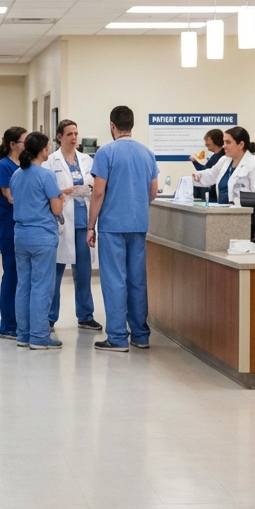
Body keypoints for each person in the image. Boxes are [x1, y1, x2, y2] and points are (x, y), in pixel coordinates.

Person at [87, 106, 160, 352]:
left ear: (112, 125)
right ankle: (140, 335)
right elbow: (152, 192)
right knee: (137, 280)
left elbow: (98, 192)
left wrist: (90, 226)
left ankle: (117, 337)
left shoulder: (106, 153)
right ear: (132, 125)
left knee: (114, 280)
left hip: (112, 226)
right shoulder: (147, 153)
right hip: (138, 225)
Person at [9, 132, 65, 350]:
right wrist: (61, 198)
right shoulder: (46, 175)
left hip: (21, 236)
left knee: (23, 285)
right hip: (42, 237)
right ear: (42, 150)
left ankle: (23, 334)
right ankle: (40, 336)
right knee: (42, 286)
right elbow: (56, 209)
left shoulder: (16, 175)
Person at [43, 120, 99, 331]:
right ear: (59, 137)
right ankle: (50, 316)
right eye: (69, 134)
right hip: (62, 223)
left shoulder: (86, 160)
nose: (74, 138)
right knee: (55, 273)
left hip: (84, 222)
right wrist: (65, 191)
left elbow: (95, 184)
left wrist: (87, 188)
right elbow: (49, 191)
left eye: (76, 133)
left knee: (83, 272)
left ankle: (85, 315)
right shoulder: (50, 161)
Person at [0, 126, 26, 340]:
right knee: (12, 275)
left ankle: (19, 320)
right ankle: (8, 325)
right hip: (8, 227)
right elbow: (10, 197)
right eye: (24, 141)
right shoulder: (4, 167)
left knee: (21, 276)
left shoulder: (22, 165)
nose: (27, 145)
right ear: (13, 145)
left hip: (21, 227)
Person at [187, 126, 255, 206]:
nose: (224, 146)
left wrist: (236, 202)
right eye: (224, 142)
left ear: (241, 144)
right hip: (223, 213)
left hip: (245, 217)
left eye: (228, 142)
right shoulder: (224, 160)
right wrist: (197, 176)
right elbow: (212, 175)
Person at [190, 128, 225, 202]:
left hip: (217, 194)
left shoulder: (223, 157)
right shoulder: (215, 156)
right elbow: (207, 172)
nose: (206, 144)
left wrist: (195, 162)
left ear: (215, 140)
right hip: (212, 193)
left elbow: (210, 173)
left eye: (207, 141)